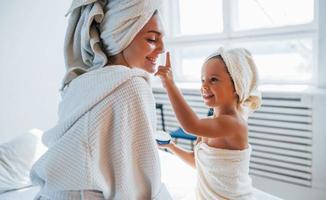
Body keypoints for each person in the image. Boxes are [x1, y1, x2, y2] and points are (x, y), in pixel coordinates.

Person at [30, 0, 172, 199]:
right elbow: (141, 185)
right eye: (151, 39)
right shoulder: (132, 85)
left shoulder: (82, 82)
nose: (162, 48)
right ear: (121, 36)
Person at [155, 48, 262, 200]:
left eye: (213, 79)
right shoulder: (210, 124)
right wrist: (171, 146)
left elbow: (191, 125)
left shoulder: (235, 124)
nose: (204, 86)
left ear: (237, 85)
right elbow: (198, 163)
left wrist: (170, 84)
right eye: (202, 80)